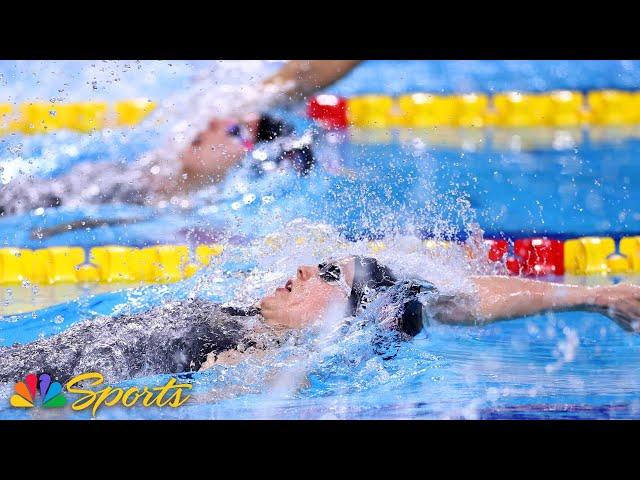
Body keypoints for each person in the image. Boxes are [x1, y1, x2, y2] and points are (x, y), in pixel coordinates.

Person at [1, 255, 638, 384]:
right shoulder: (240, 318)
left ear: (352, 323)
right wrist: (595, 294)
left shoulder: (261, 362)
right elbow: (452, 294)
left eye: (329, 278)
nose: (305, 267)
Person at [0, 61, 362, 217]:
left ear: (254, 165)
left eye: (235, 131)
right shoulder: (129, 175)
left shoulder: (186, 216)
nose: (214, 125)